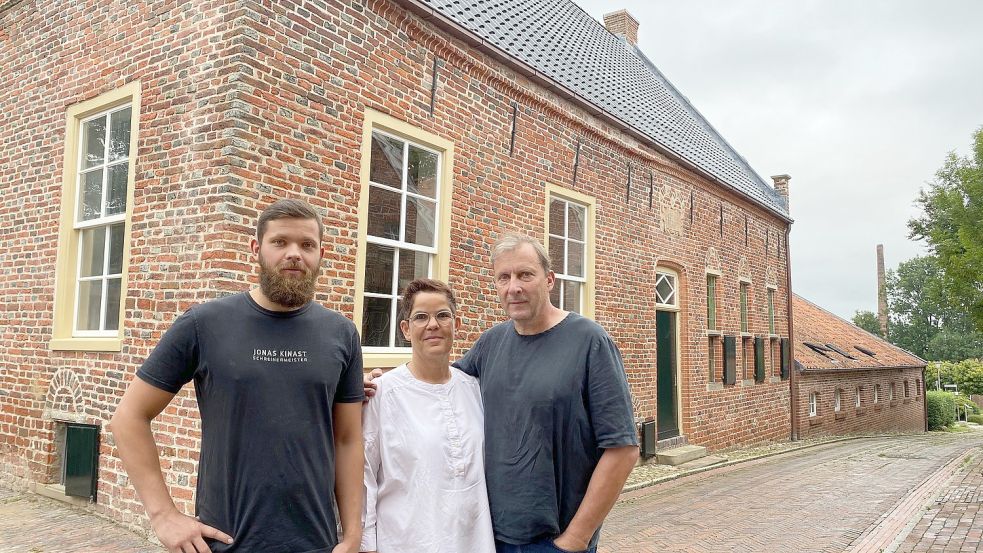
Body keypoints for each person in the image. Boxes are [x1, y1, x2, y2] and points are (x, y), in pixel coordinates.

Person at [111, 198, 364, 553]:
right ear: (256, 249)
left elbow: (348, 440)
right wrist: (163, 515)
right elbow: (128, 418)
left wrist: (352, 535)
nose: (294, 253)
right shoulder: (204, 323)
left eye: (307, 244)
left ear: (322, 253)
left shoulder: (342, 333)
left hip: (317, 542)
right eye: (280, 242)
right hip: (225, 542)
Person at [367, 233, 639, 553]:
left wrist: (575, 539)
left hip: (555, 540)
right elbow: (435, 379)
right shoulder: (491, 344)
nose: (514, 287)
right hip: (491, 537)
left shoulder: (589, 341)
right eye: (504, 277)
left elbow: (623, 449)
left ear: (549, 279)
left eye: (525, 274)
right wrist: (378, 382)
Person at [359, 278, 494, 553]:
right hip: (405, 542)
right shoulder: (382, 393)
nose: (433, 325)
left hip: (474, 542)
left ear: (456, 325)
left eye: (443, 315)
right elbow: (363, 475)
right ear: (406, 329)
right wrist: (365, 544)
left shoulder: (475, 390)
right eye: (421, 317)